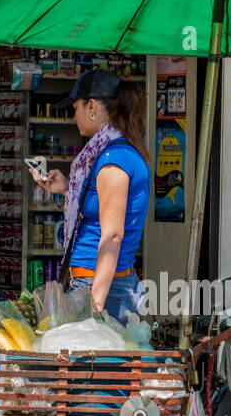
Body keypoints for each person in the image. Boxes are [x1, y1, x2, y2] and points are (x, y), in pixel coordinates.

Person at [35, 69, 150, 321]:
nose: (73, 115)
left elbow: (112, 235)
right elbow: (103, 207)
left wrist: (94, 306)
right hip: (97, 282)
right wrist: (67, 188)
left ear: (92, 107)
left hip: (98, 287)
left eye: (75, 107)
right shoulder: (112, 153)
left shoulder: (113, 159)